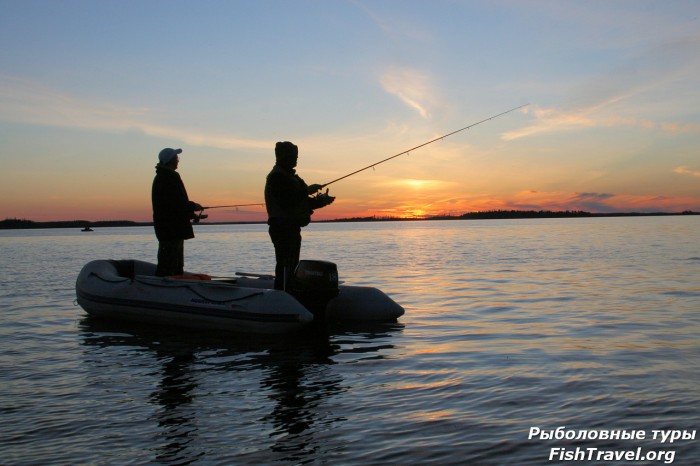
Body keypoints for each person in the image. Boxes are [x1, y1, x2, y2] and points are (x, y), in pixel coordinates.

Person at [265, 141, 335, 290]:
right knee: (285, 265)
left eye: (297, 155)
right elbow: (287, 200)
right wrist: (307, 190)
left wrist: (320, 202)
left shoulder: (292, 177)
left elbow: (301, 202)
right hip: (282, 228)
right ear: (283, 156)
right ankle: (281, 294)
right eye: (293, 155)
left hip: (293, 228)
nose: (296, 159)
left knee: (292, 265)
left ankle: (289, 291)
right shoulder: (277, 176)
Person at [151, 147, 206, 276]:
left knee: (176, 262)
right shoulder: (166, 178)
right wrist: (194, 206)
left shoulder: (167, 177)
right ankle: (163, 285)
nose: (178, 161)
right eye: (176, 158)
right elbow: (176, 203)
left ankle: (175, 283)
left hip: (173, 227)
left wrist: (192, 215)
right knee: (169, 262)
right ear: (169, 161)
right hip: (170, 228)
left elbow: (175, 205)